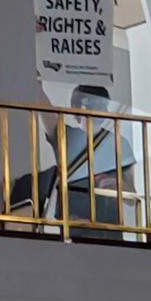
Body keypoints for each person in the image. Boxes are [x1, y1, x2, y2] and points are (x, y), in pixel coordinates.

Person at [42, 84, 136, 239]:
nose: (102, 111)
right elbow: (44, 110)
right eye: (97, 105)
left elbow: (132, 197)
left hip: (109, 229)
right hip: (76, 228)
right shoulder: (67, 137)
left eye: (103, 105)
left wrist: (118, 186)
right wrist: (35, 84)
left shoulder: (119, 143)